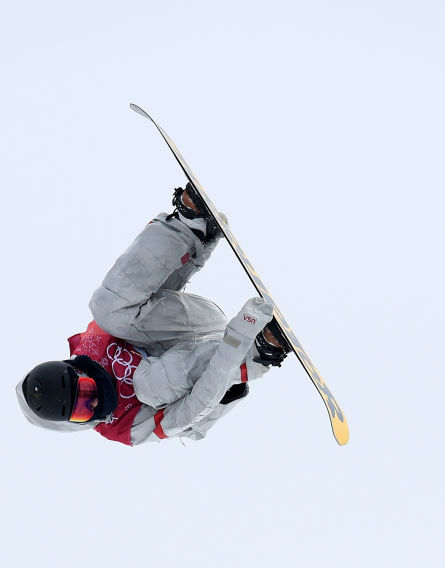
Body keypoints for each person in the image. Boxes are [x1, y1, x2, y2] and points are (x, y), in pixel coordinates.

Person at [15, 183, 290, 446]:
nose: (94, 402)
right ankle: (257, 350)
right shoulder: (121, 427)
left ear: (76, 369)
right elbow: (191, 411)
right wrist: (241, 339)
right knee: (149, 387)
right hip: (218, 370)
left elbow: (140, 301)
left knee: (107, 311)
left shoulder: (91, 346)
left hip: (190, 326)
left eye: (86, 392)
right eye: (83, 411)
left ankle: (189, 228)